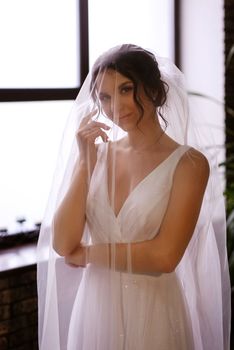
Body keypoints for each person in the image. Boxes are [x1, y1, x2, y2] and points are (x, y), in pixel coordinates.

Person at [37, 44, 231, 349]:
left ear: (154, 89)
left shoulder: (189, 164)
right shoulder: (96, 156)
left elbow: (165, 257)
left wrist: (87, 254)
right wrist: (86, 164)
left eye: (126, 89)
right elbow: (63, 243)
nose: (115, 106)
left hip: (155, 312)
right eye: (104, 96)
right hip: (94, 313)